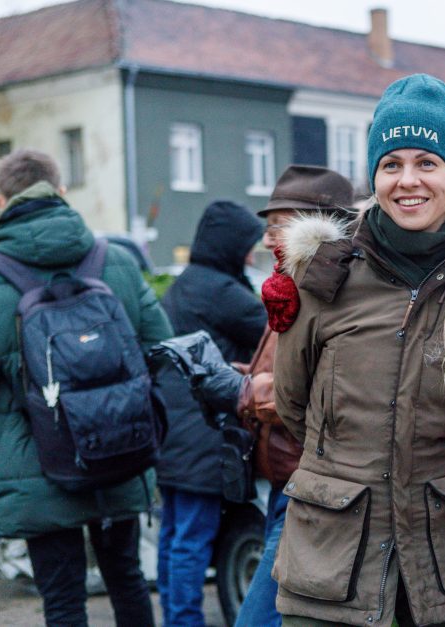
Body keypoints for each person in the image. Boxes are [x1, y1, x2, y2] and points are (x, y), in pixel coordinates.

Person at [268, 74, 445, 626]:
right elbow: (292, 403)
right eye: (391, 163)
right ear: (373, 174)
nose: (408, 181)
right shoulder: (326, 272)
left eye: (427, 162)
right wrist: (351, 471)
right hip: (334, 559)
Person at [0, 149, 172, 626]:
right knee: (127, 580)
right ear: (61, 193)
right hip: (119, 450)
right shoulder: (117, 260)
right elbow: (162, 346)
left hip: (37, 463)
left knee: (62, 600)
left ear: (2, 202)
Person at [219, 165, 355, 627]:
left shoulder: (326, 290)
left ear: (314, 225)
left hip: (308, 486)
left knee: (260, 618)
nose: (266, 237)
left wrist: (243, 390)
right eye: (268, 225)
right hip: (286, 483)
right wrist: (243, 374)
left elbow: (311, 392)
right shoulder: (288, 284)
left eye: (278, 224)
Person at [155, 200, 266, 626]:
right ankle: (184, 622)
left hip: (172, 429)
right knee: (192, 538)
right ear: (228, 247)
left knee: (174, 534)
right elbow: (278, 334)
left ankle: (174, 618)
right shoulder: (224, 293)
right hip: (202, 432)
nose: (250, 255)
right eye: (246, 246)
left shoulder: (185, 283)